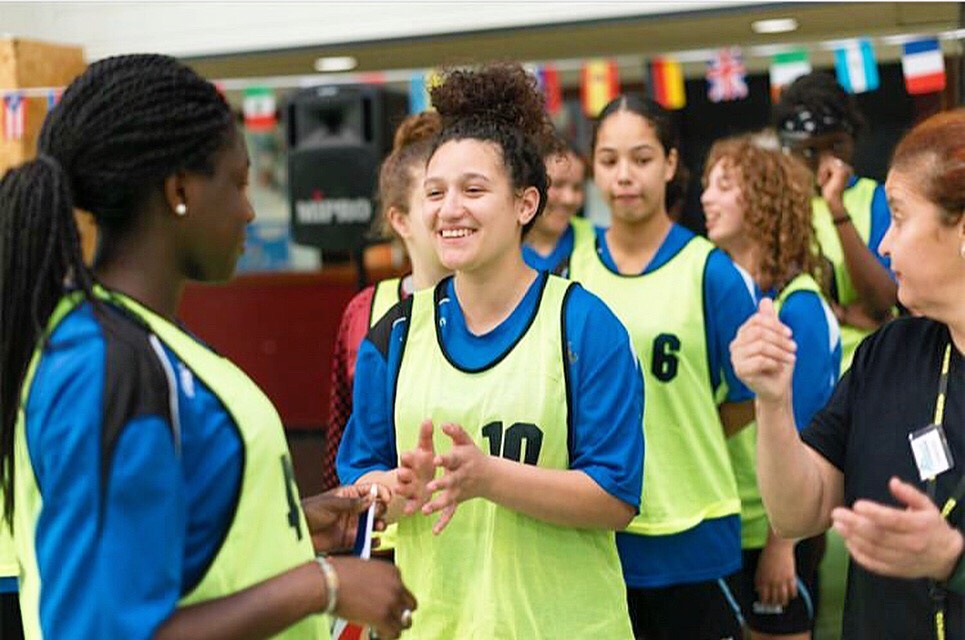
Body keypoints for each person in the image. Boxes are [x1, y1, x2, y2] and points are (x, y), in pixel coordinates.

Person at [0, 54, 416, 640]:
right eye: (238, 182)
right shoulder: (103, 362)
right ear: (179, 190)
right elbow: (100, 629)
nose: (249, 209)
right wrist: (323, 584)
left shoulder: (141, 339)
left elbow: (172, 539)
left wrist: (290, 526)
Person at [337, 63, 644, 638]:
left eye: (473, 190)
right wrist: (394, 490)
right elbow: (364, 490)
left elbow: (615, 497)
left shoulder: (584, 327)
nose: (449, 209)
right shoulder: (395, 336)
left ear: (526, 204)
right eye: (435, 192)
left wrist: (488, 477)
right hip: (434, 625)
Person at [731, 108, 964, 639]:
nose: (884, 243)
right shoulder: (887, 355)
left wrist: (953, 558)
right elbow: (799, 511)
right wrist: (772, 400)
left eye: (900, 218)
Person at [565, 94, 757, 640]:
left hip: (693, 529)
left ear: (671, 164)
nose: (624, 176)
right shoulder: (572, 271)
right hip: (598, 532)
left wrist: (678, 434)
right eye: (609, 160)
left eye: (642, 158)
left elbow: (746, 397)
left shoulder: (711, 271)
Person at [702, 135, 842, 640]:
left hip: (774, 528)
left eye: (723, 186)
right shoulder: (729, 293)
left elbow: (806, 435)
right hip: (727, 516)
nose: (706, 198)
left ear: (762, 199)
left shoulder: (798, 306)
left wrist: (782, 546)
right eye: (705, 186)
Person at [322, 111, 449, 494]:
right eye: (435, 194)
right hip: (392, 537)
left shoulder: (512, 307)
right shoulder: (366, 313)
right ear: (400, 219)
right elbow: (342, 440)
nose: (453, 207)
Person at [774, 71, 897, 374]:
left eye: (836, 146)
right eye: (811, 150)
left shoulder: (877, 199)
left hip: (870, 367)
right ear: (789, 150)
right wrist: (843, 313)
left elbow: (881, 301)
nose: (827, 161)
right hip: (800, 374)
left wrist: (836, 207)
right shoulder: (776, 205)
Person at [522, 141, 592, 275]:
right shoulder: (501, 248)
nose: (569, 199)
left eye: (577, 187)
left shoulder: (599, 241)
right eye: (558, 185)